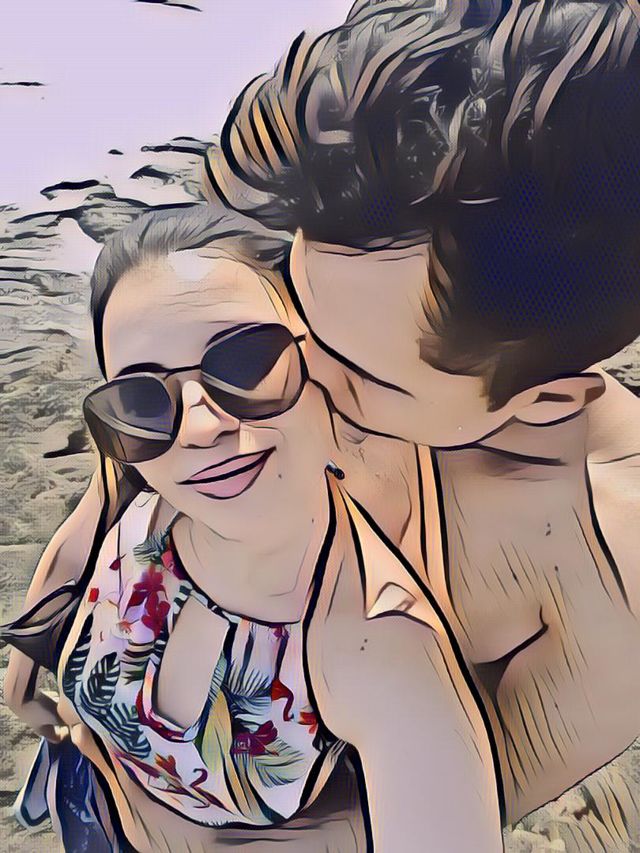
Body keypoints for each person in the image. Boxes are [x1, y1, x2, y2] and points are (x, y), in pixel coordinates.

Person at [204, 0, 640, 828]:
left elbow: (412, 820)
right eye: (294, 305)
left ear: (548, 400)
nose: (292, 377)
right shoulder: (352, 252)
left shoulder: (618, 577)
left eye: (363, 378)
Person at [3, 205, 502, 852]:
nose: (198, 428)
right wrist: (23, 689)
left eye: (245, 361)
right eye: (140, 396)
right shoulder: (141, 462)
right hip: (82, 785)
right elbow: (76, 548)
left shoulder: (383, 651)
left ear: (327, 360)